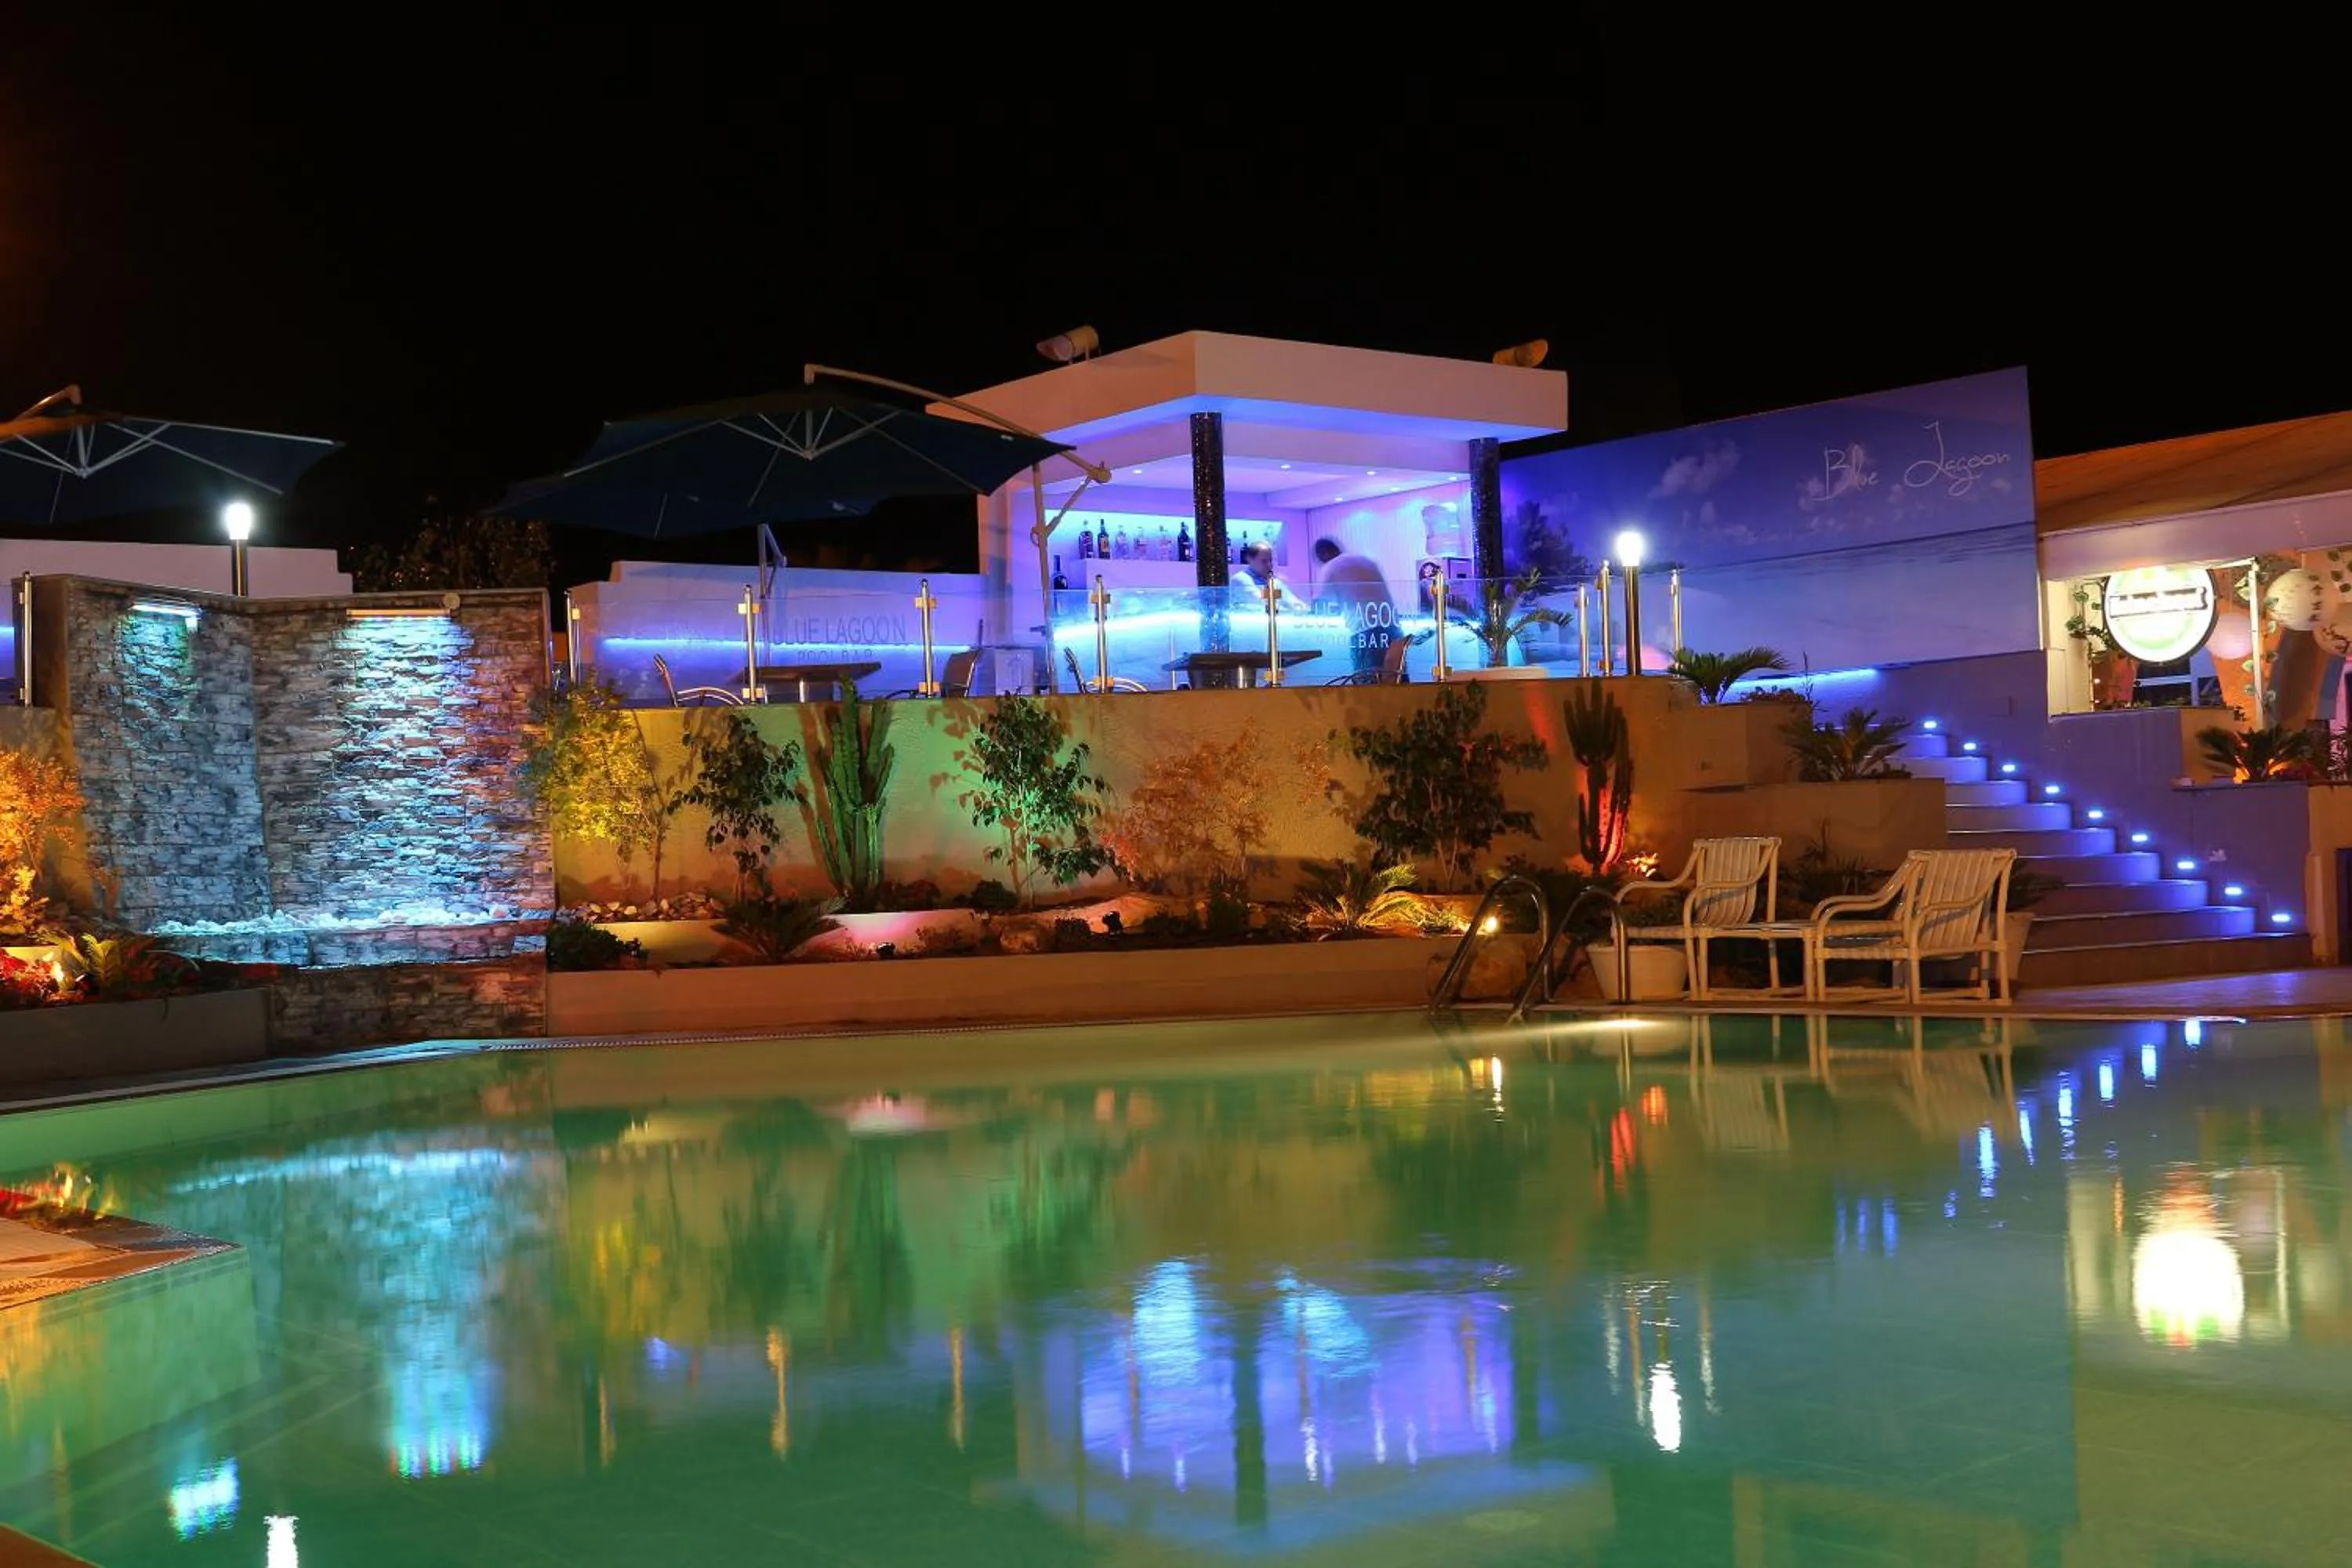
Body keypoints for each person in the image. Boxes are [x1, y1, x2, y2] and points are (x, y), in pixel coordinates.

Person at [1315, 537, 1396, 675]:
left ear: (1324, 554)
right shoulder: (1367, 561)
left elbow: (1320, 604)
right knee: (1399, 683)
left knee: (1366, 687)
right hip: (1394, 629)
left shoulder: (1330, 567)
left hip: (1364, 631)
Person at [1232, 542, 1297, 608]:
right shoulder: (1240, 579)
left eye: (1271, 560)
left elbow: (1291, 600)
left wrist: (1300, 606)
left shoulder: (1274, 581)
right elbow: (1262, 603)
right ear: (1250, 559)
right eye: (1264, 561)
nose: (1269, 565)